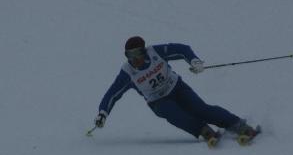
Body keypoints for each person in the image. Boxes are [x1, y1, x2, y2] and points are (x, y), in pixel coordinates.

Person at [93, 36, 260, 147]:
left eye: (137, 54)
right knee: (174, 114)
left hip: (177, 87)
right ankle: (203, 130)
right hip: (158, 101)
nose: (134, 59)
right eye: (129, 55)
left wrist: (194, 61)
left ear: (144, 51)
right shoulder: (128, 72)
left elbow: (182, 49)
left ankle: (238, 125)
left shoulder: (155, 52)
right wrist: (103, 113)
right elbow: (112, 94)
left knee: (200, 108)